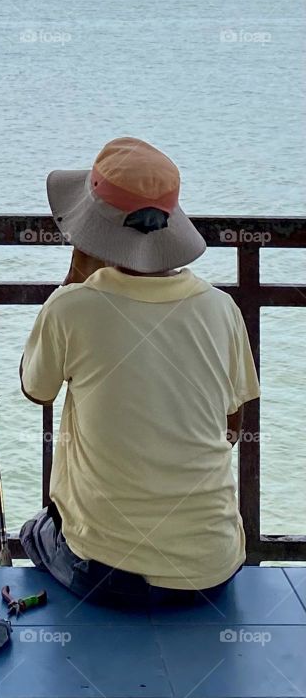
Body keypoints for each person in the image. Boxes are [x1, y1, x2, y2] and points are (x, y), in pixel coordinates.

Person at [19, 137, 259, 608]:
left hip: (110, 575)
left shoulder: (73, 306)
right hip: (213, 569)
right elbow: (233, 428)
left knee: (38, 531)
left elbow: (35, 389)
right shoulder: (221, 307)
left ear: (87, 233)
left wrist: (74, 277)